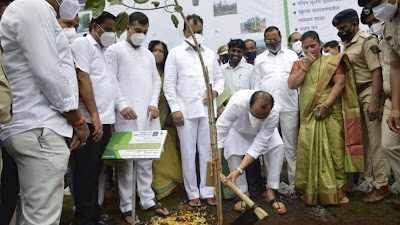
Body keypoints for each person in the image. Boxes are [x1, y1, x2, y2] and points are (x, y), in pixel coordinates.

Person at [0, 0, 90, 224]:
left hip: (36, 127)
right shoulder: (33, 7)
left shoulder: (31, 9)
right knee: (42, 217)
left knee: (29, 212)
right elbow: (48, 73)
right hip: (38, 126)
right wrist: (78, 120)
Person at [105, 12, 170, 224]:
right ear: (128, 29)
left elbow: (156, 81)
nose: (141, 35)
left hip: (148, 114)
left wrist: (153, 103)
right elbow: (110, 81)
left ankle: (148, 200)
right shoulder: (114, 51)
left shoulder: (148, 55)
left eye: (145, 32)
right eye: (137, 31)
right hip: (125, 115)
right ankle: (126, 206)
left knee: (145, 161)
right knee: (125, 163)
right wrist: (122, 105)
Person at [71, 11, 135, 225]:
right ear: (95, 26)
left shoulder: (104, 51)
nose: (111, 33)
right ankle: (84, 218)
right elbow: (82, 78)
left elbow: (111, 83)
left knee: (97, 170)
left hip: (105, 121)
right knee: (85, 171)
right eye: (107, 29)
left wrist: (115, 114)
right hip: (90, 121)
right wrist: (94, 116)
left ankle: (93, 213)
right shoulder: (83, 45)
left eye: (113, 30)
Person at [288, 30, 362, 205]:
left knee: (335, 149)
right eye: (306, 48)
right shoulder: (298, 64)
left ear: (320, 45)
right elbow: (292, 84)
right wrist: (306, 65)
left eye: (313, 46)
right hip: (308, 114)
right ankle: (310, 191)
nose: (310, 50)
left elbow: (340, 83)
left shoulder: (332, 61)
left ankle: (338, 190)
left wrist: (327, 104)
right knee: (308, 150)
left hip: (330, 112)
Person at [164, 14, 224, 207]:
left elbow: (220, 79)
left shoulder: (209, 53)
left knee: (207, 153)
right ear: (184, 32)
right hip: (185, 113)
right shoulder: (175, 53)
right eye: (192, 32)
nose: (196, 35)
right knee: (188, 153)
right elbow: (169, 85)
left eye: (199, 32)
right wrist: (175, 109)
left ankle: (208, 190)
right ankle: (192, 194)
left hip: (207, 112)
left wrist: (214, 91)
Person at [333, 9, 390, 203]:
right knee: (363, 142)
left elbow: (376, 72)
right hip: (353, 97)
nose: (340, 31)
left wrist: (375, 100)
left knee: (376, 142)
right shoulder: (347, 44)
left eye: (343, 28)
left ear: (354, 25)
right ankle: (369, 181)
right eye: (338, 29)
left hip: (368, 93)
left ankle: (382, 186)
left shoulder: (367, 42)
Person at [359, 0, 400, 207]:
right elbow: (392, 68)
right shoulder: (386, 28)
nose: (375, 19)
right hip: (392, 98)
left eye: (377, 4)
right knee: (389, 145)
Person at [219, 90, 287, 214]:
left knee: (278, 147)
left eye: (263, 116)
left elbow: (258, 145)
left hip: (263, 133)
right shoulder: (237, 103)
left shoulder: (274, 112)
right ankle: (243, 193)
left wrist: (239, 170)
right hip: (238, 131)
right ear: (248, 106)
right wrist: (217, 158)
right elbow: (221, 129)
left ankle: (270, 192)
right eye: (256, 114)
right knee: (231, 149)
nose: (259, 118)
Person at [254, 26, 299, 193]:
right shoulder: (260, 59)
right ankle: (271, 185)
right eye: (269, 41)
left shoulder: (291, 55)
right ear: (264, 41)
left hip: (290, 105)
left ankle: (293, 184)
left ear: (281, 37)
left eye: (276, 39)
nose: (273, 43)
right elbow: (257, 85)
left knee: (290, 146)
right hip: (269, 109)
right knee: (268, 146)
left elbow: (298, 80)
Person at [148, 40, 184, 201]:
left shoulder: (169, 72)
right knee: (154, 158)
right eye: (154, 50)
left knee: (170, 156)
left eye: (161, 50)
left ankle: (171, 186)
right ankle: (155, 189)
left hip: (169, 123)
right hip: (151, 121)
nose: (158, 53)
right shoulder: (146, 72)